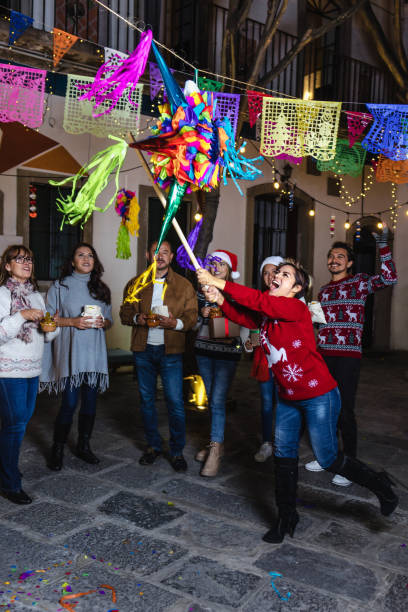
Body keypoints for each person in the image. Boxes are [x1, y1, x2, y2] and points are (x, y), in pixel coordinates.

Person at [196, 261, 398, 543]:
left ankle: (380, 484)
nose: (277, 275)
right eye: (276, 272)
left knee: (327, 458)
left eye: (285, 274)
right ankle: (286, 518)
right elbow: (245, 316)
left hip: (319, 396)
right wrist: (220, 300)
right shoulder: (267, 314)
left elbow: (258, 301)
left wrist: (219, 283)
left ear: (297, 288)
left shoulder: (296, 308)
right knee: (283, 457)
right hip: (288, 398)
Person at [306, 223, 397, 486]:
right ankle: (327, 457)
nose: (334, 260)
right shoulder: (323, 291)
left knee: (345, 410)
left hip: (347, 357)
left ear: (350, 263)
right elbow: (320, 325)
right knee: (324, 409)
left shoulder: (359, 283)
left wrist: (383, 246)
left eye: (340, 257)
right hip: (324, 355)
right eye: (331, 257)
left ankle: (350, 464)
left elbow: (389, 278)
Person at [120, 240, 197, 472]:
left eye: (165, 252)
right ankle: (153, 446)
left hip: (171, 351)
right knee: (147, 401)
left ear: (172, 257)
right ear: (147, 255)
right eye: (156, 252)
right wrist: (138, 319)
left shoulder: (184, 286)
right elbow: (125, 312)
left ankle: (176, 451)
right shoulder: (135, 284)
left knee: (175, 402)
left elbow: (192, 317)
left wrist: (176, 322)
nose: (160, 256)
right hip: (143, 350)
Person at [40, 243, 112, 471]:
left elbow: (109, 320)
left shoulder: (101, 288)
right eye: (81, 255)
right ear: (72, 261)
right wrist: (72, 321)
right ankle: (58, 448)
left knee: (90, 403)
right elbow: (47, 320)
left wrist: (104, 322)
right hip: (71, 353)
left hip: (94, 354)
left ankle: (84, 446)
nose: (86, 258)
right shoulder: (60, 287)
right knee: (70, 403)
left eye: (90, 255)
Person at [0, 245, 59, 504]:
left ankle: (6, 466)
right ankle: (10, 482)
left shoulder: (36, 296)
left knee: (19, 424)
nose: (27, 263)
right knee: (15, 426)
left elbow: (47, 337)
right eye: (20, 259)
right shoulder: (1, 295)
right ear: (7, 266)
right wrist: (21, 315)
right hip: (8, 370)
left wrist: (51, 326)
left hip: (32, 368)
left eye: (30, 259)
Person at [194, 249, 248, 477]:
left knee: (217, 399)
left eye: (221, 265)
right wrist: (202, 313)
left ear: (229, 271)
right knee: (211, 399)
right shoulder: (201, 292)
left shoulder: (235, 293)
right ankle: (216, 442)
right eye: (213, 264)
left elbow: (243, 321)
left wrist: (245, 347)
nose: (216, 269)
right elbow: (192, 322)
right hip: (204, 350)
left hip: (227, 351)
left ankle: (215, 449)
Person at [245, 256, 284, 462]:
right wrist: (249, 343)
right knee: (267, 403)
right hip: (264, 361)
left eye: (274, 272)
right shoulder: (258, 301)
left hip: (284, 362)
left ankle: (283, 442)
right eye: (265, 273)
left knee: (285, 404)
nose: (270, 276)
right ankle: (267, 443)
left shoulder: (289, 298)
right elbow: (252, 330)